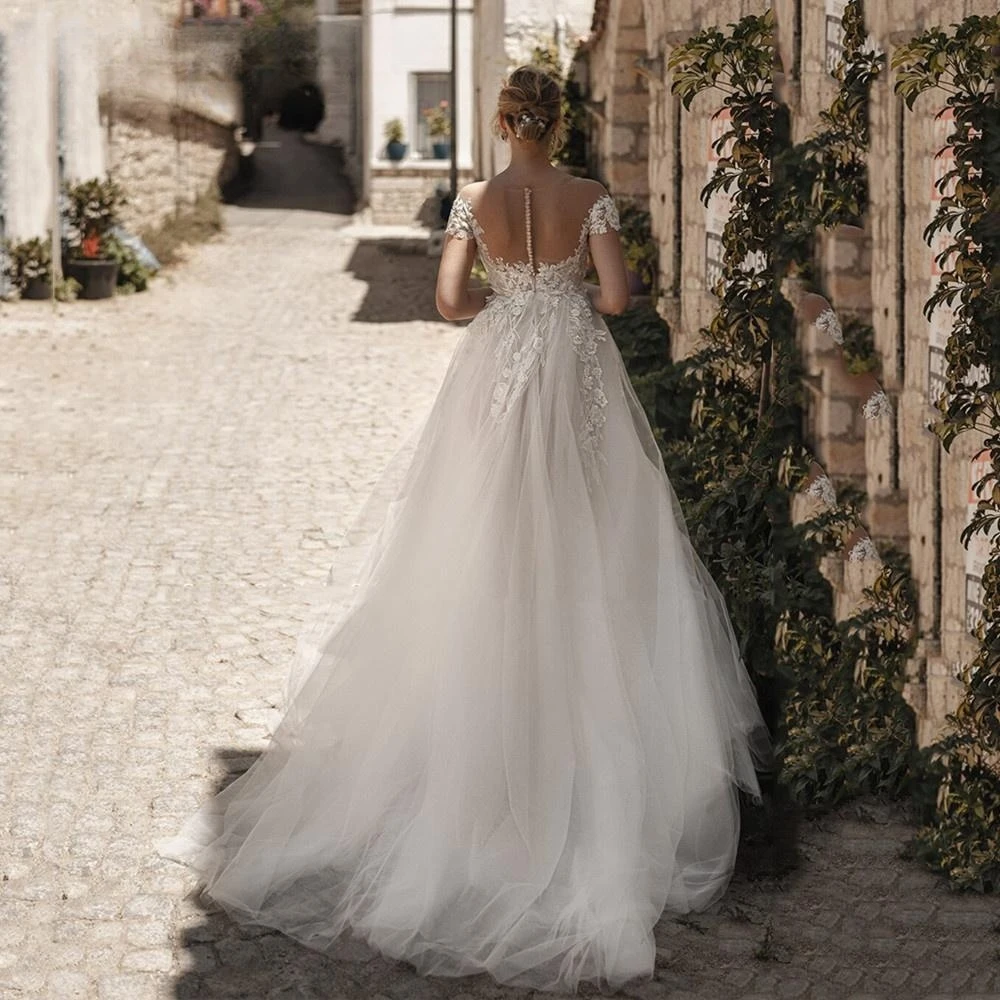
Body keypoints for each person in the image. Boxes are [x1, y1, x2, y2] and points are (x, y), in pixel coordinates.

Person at [160, 65, 771, 994]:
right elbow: (614, 301)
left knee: (486, 535)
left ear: (498, 120)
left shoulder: (474, 200)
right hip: (575, 374)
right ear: (560, 123)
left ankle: (482, 745)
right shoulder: (591, 196)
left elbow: (448, 302)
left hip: (498, 374)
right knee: (591, 536)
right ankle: (588, 747)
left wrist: (508, 304)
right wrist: (564, 295)